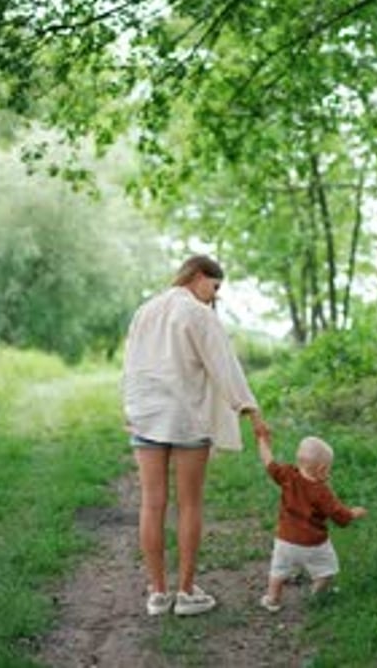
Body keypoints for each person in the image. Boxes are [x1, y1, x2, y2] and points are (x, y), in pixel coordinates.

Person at [122, 254, 268, 617]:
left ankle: (158, 594)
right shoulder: (198, 314)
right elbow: (225, 366)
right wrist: (251, 410)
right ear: (199, 275)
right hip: (186, 418)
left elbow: (131, 365)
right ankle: (186, 594)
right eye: (214, 287)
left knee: (151, 504)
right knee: (190, 504)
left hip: (146, 416)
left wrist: (133, 410)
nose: (214, 297)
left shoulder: (146, 310)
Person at [256, 430, 367, 612]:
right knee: (327, 570)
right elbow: (340, 515)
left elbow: (269, 463)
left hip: (285, 540)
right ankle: (317, 596)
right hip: (313, 543)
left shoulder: (288, 475)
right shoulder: (322, 492)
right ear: (322, 469)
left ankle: (273, 599)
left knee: (278, 571)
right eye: (328, 469)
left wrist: (263, 442)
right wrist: (354, 513)